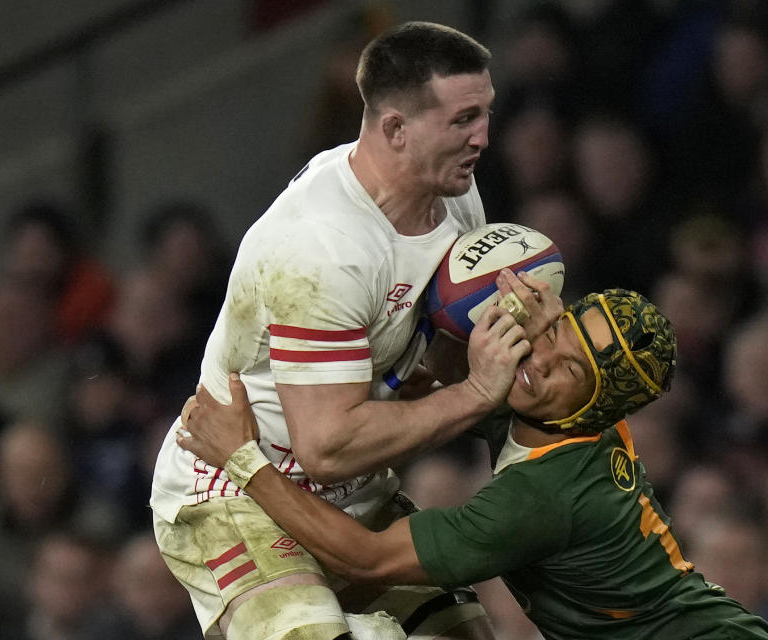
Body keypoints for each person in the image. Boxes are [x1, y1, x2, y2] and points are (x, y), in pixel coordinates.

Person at [150, 20, 555, 640]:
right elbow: (328, 446)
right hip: (239, 490)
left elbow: (443, 361)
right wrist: (475, 394)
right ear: (395, 128)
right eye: (464, 120)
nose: (484, 137)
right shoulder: (323, 248)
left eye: (486, 113)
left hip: (356, 493)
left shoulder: (457, 198)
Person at [179, 288, 768, 640]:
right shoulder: (554, 413)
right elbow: (449, 374)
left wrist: (243, 460)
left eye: (571, 369)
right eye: (554, 332)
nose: (540, 361)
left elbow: (366, 557)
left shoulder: (544, 495)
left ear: (594, 407)